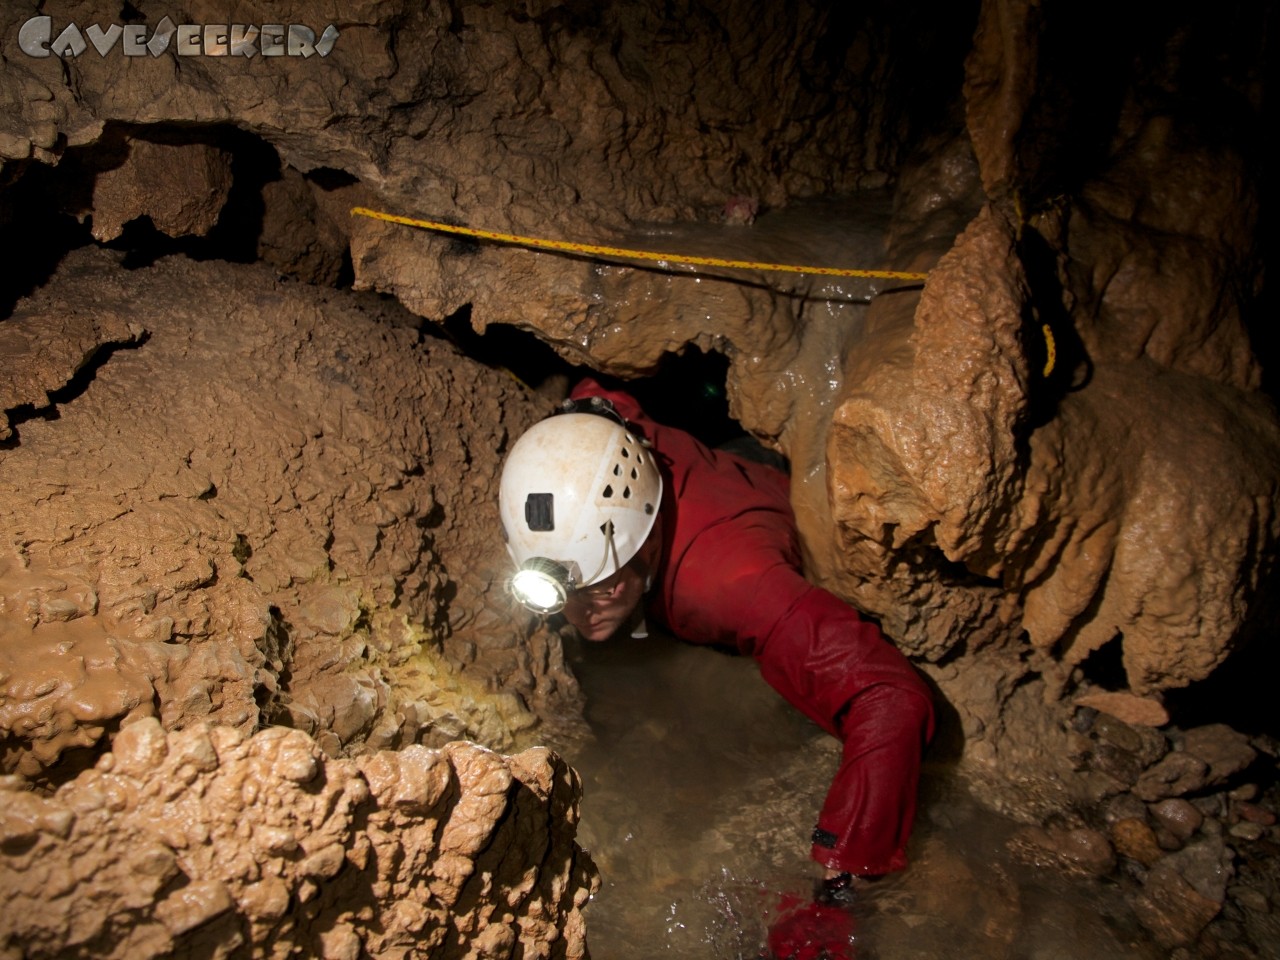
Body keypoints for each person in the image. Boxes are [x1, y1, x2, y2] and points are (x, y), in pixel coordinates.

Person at [498, 379, 934, 958]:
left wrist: (839, 889)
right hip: (725, 468)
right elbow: (599, 394)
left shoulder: (730, 582)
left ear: (646, 543)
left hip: (772, 515)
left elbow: (889, 698)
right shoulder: (602, 442)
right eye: (559, 591)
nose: (581, 611)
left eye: (602, 585)